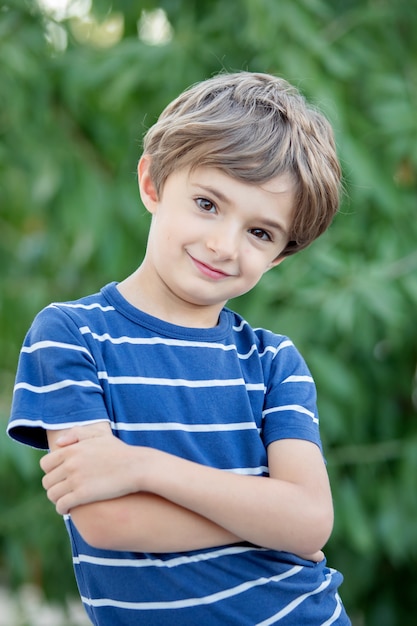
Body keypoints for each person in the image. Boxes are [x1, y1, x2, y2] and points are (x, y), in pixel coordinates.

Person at [8, 71, 351, 625]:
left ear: (281, 255)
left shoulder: (272, 362)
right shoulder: (71, 336)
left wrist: (140, 466)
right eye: (208, 204)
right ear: (153, 183)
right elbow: (108, 521)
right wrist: (270, 520)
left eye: (260, 233)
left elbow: (310, 522)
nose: (223, 244)